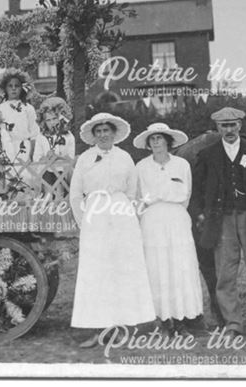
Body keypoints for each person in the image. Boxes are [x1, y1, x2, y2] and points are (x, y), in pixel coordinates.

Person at [69, 112, 156, 347]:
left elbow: (132, 191)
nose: (103, 135)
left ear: (113, 133)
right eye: (98, 132)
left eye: (106, 131)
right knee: (96, 271)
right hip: (95, 216)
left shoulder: (125, 157)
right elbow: (76, 194)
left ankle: (120, 326)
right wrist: (84, 221)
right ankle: (96, 327)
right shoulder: (85, 159)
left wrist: (125, 212)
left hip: (120, 215)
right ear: (94, 135)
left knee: (121, 269)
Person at [189, 107, 246, 336]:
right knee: (225, 273)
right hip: (222, 219)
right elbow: (195, 190)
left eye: (233, 124)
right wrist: (199, 214)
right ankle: (233, 323)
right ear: (217, 128)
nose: (229, 129)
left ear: (240, 125)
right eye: (224, 126)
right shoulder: (207, 155)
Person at [133, 122, 203, 335]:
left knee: (179, 267)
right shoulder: (141, 167)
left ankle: (182, 319)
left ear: (167, 141)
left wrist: (174, 211)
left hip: (177, 219)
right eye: (152, 139)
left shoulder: (182, 165)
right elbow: (137, 198)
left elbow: (187, 194)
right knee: (157, 268)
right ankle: (162, 320)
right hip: (152, 220)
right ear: (148, 143)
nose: (156, 142)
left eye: (160, 138)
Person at [32, 96, 76, 198]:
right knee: (47, 181)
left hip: (63, 171)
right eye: (48, 120)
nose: (52, 123)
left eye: (55, 118)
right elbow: (36, 158)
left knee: (60, 179)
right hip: (45, 170)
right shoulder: (41, 137)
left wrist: (58, 157)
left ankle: (60, 199)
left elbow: (70, 159)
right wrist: (47, 157)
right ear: (44, 122)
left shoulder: (68, 136)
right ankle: (48, 199)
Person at [0, 68, 40, 163]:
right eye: (10, 86)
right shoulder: (0, 108)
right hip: (7, 148)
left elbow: (34, 133)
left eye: (17, 86)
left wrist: (31, 154)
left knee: (26, 176)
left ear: (22, 88)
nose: (13, 88)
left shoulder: (28, 108)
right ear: (5, 88)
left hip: (25, 148)